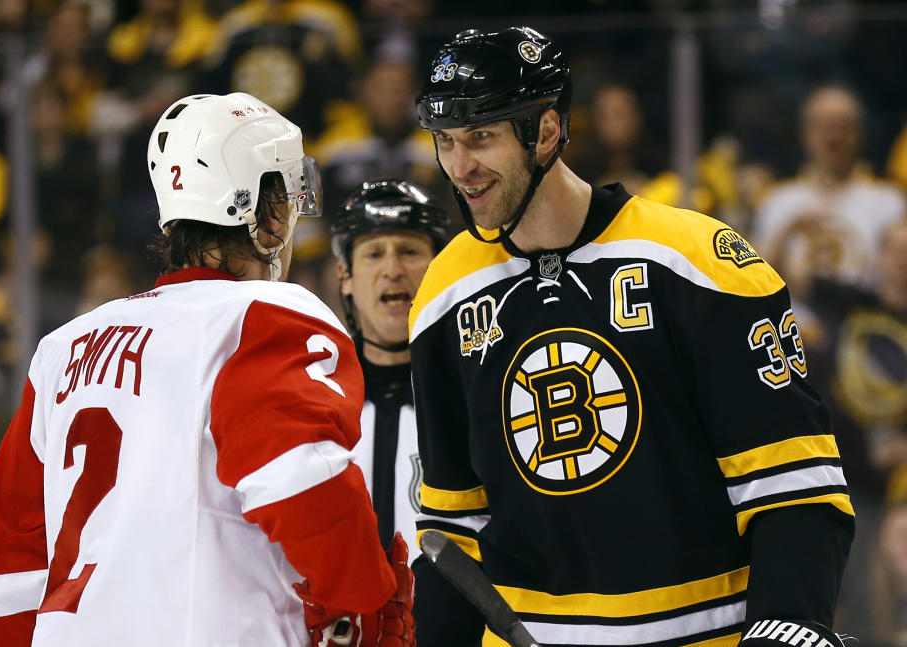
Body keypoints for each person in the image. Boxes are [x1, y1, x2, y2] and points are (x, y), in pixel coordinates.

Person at [409, 26, 855, 647]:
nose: (460, 167)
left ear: (545, 131)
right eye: (445, 141)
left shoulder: (700, 264)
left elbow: (793, 483)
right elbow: (453, 525)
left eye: (481, 137)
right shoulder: (444, 294)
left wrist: (789, 623)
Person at [0, 92, 414, 647]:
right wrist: (365, 593)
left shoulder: (63, 347)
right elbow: (300, 485)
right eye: (291, 198)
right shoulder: (264, 316)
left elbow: (0, 575)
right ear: (269, 217)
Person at [330, 178, 448, 562]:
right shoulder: (313, 400)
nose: (393, 269)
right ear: (344, 277)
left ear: (440, 269)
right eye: (374, 254)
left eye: (410, 251)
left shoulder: (472, 395)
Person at [753, 85, 905, 296]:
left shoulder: (889, 201)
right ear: (805, 133)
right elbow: (753, 278)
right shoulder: (778, 200)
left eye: (843, 126)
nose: (834, 137)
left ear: (860, 133)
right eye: (823, 127)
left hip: (864, 323)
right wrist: (787, 231)